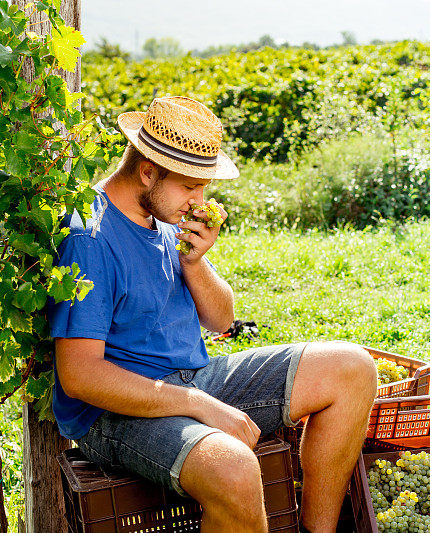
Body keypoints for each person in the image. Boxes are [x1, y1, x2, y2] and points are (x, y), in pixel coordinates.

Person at [48, 96, 377, 533]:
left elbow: (222, 321)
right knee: (234, 468)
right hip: (114, 412)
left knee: (351, 367)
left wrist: (195, 262)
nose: (199, 201)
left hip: (192, 378)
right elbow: (80, 376)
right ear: (148, 171)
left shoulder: (164, 217)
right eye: (190, 187)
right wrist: (200, 405)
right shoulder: (90, 237)